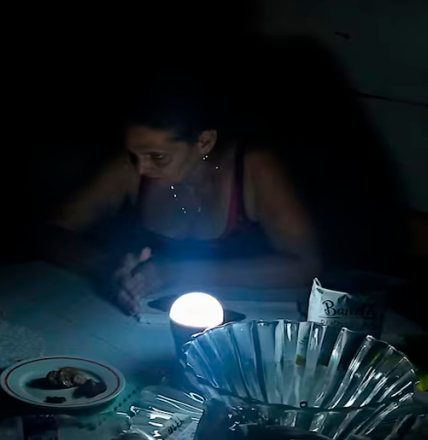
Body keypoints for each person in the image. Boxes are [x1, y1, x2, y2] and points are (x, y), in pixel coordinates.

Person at [47, 90, 322, 316]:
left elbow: (306, 265)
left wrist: (179, 272)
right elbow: (49, 232)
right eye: (134, 155)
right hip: (140, 321)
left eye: (158, 157)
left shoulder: (252, 167)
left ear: (204, 142)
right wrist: (106, 265)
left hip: (241, 321)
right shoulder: (134, 163)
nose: (141, 168)